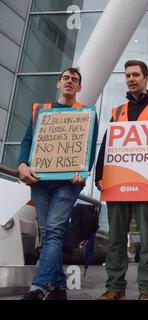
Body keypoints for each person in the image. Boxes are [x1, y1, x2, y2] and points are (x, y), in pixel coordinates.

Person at [95, 60, 148, 300]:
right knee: (116, 238)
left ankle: (147, 289)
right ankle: (114, 286)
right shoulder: (117, 111)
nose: (131, 79)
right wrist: (100, 175)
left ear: (146, 78)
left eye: (136, 75)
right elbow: (108, 143)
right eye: (127, 75)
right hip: (117, 181)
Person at [18, 67, 98, 300]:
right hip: (40, 180)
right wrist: (23, 163)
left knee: (53, 230)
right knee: (47, 232)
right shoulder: (41, 111)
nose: (70, 82)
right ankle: (59, 287)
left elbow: (89, 148)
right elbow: (27, 141)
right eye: (66, 78)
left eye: (75, 80)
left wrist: (83, 172)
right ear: (58, 83)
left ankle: (38, 287)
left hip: (68, 183)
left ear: (80, 87)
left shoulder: (85, 113)